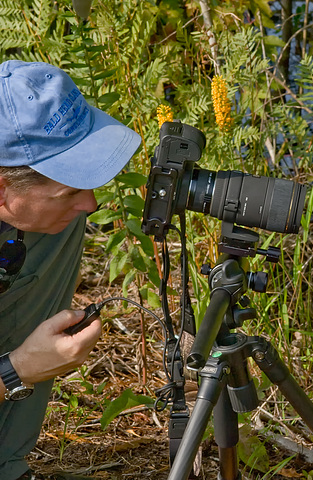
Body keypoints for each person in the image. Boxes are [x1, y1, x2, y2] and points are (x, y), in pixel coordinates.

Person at [0, 60, 141, 480]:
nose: (92, 204)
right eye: (71, 189)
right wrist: (19, 369)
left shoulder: (48, 216)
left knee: (58, 221)